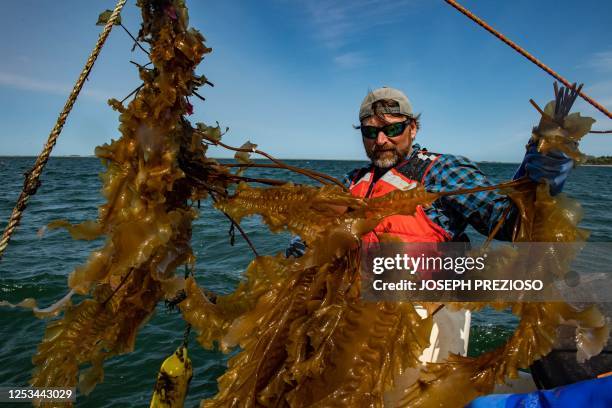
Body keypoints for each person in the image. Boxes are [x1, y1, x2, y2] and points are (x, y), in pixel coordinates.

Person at [286, 86, 573, 363]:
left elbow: (509, 224)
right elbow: (318, 233)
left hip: (425, 323)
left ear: (413, 128)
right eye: (371, 132)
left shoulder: (442, 171)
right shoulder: (351, 181)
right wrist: (303, 244)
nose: (382, 140)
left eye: (393, 129)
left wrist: (540, 183)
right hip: (350, 321)